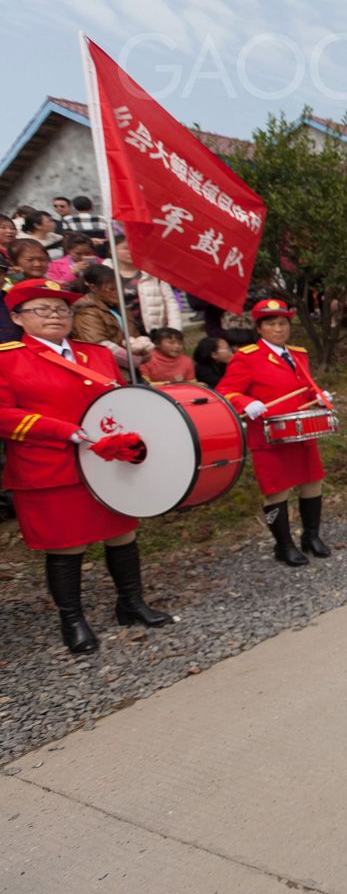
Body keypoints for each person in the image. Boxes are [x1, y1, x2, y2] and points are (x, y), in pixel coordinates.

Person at [0, 278, 172, 652]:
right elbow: (3, 415)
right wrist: (63, 431)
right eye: (41, 309)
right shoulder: (7, 358)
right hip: (50, 467)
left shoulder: (95, 355)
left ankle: (131, 603)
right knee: (67, 546)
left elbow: (120, 403)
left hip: (105, 461)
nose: (55, 316)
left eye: (62, 309)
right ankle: (72, 619)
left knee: (122, 532)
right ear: (17, 317)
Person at [217, 299, 334, 565]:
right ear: (259, 328)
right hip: (270, 436)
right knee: (276, 490)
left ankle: (311, 536)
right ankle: (283, 545)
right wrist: (247, 403)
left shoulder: (298, 354)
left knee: (311, 483)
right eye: (271, 324)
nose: (279, 329)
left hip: (301, 431)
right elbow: (225, 391)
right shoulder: (247, 357)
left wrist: (318, 395)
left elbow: (305, 387)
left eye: (283, 323)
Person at [70, 264, 151, 370]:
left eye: (120, 288)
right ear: (93, 288)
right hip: (105, 370)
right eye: (112, 289)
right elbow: (99, 345)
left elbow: (133, 337)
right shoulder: (86, 311)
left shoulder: (122, 309)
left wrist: (143, 349)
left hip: (128, 370)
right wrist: (133, 360)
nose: (118, 293)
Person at [1, 239, 51, 342]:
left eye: (42, 259)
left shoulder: (54, 286)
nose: (37, 264)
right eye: (30, 260)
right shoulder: (8, 287)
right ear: (13, 262)